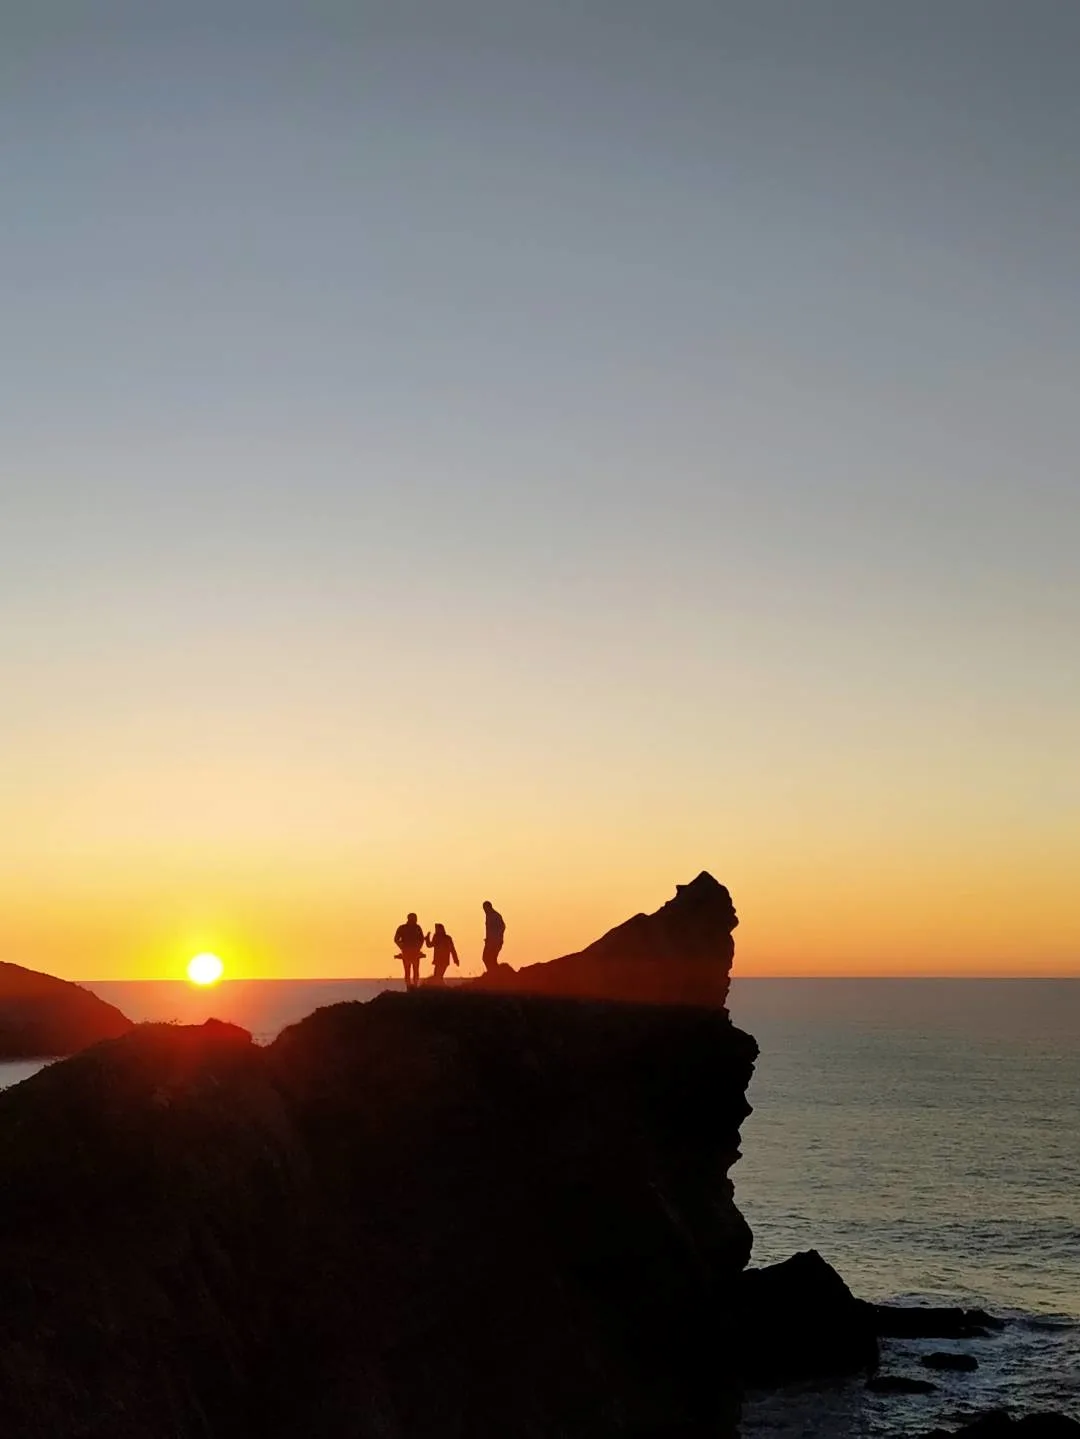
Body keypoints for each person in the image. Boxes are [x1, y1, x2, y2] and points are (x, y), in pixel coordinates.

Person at [394, 911, 424, 990]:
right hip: (407, 953)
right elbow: (396, 939)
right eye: (414, 918)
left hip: (414, 952)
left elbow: (421, 939)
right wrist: (402, 947)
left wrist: (418, 948)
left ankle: (415, 986)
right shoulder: (403, 928)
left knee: (414, 970)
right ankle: (409, 987)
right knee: (408, 971)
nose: (416, 920)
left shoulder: (417, 928)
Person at [481, 900, 505, 974]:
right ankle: (493, 972)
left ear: (489, 907)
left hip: (495, 942)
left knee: (490, 958)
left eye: (485, 908)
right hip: (489, 942)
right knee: (486, 958)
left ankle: (494, 973)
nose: (484, 910)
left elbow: (502, 927)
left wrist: (496, 937)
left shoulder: (495, 915)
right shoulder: (488, 915)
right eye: (484, 908)